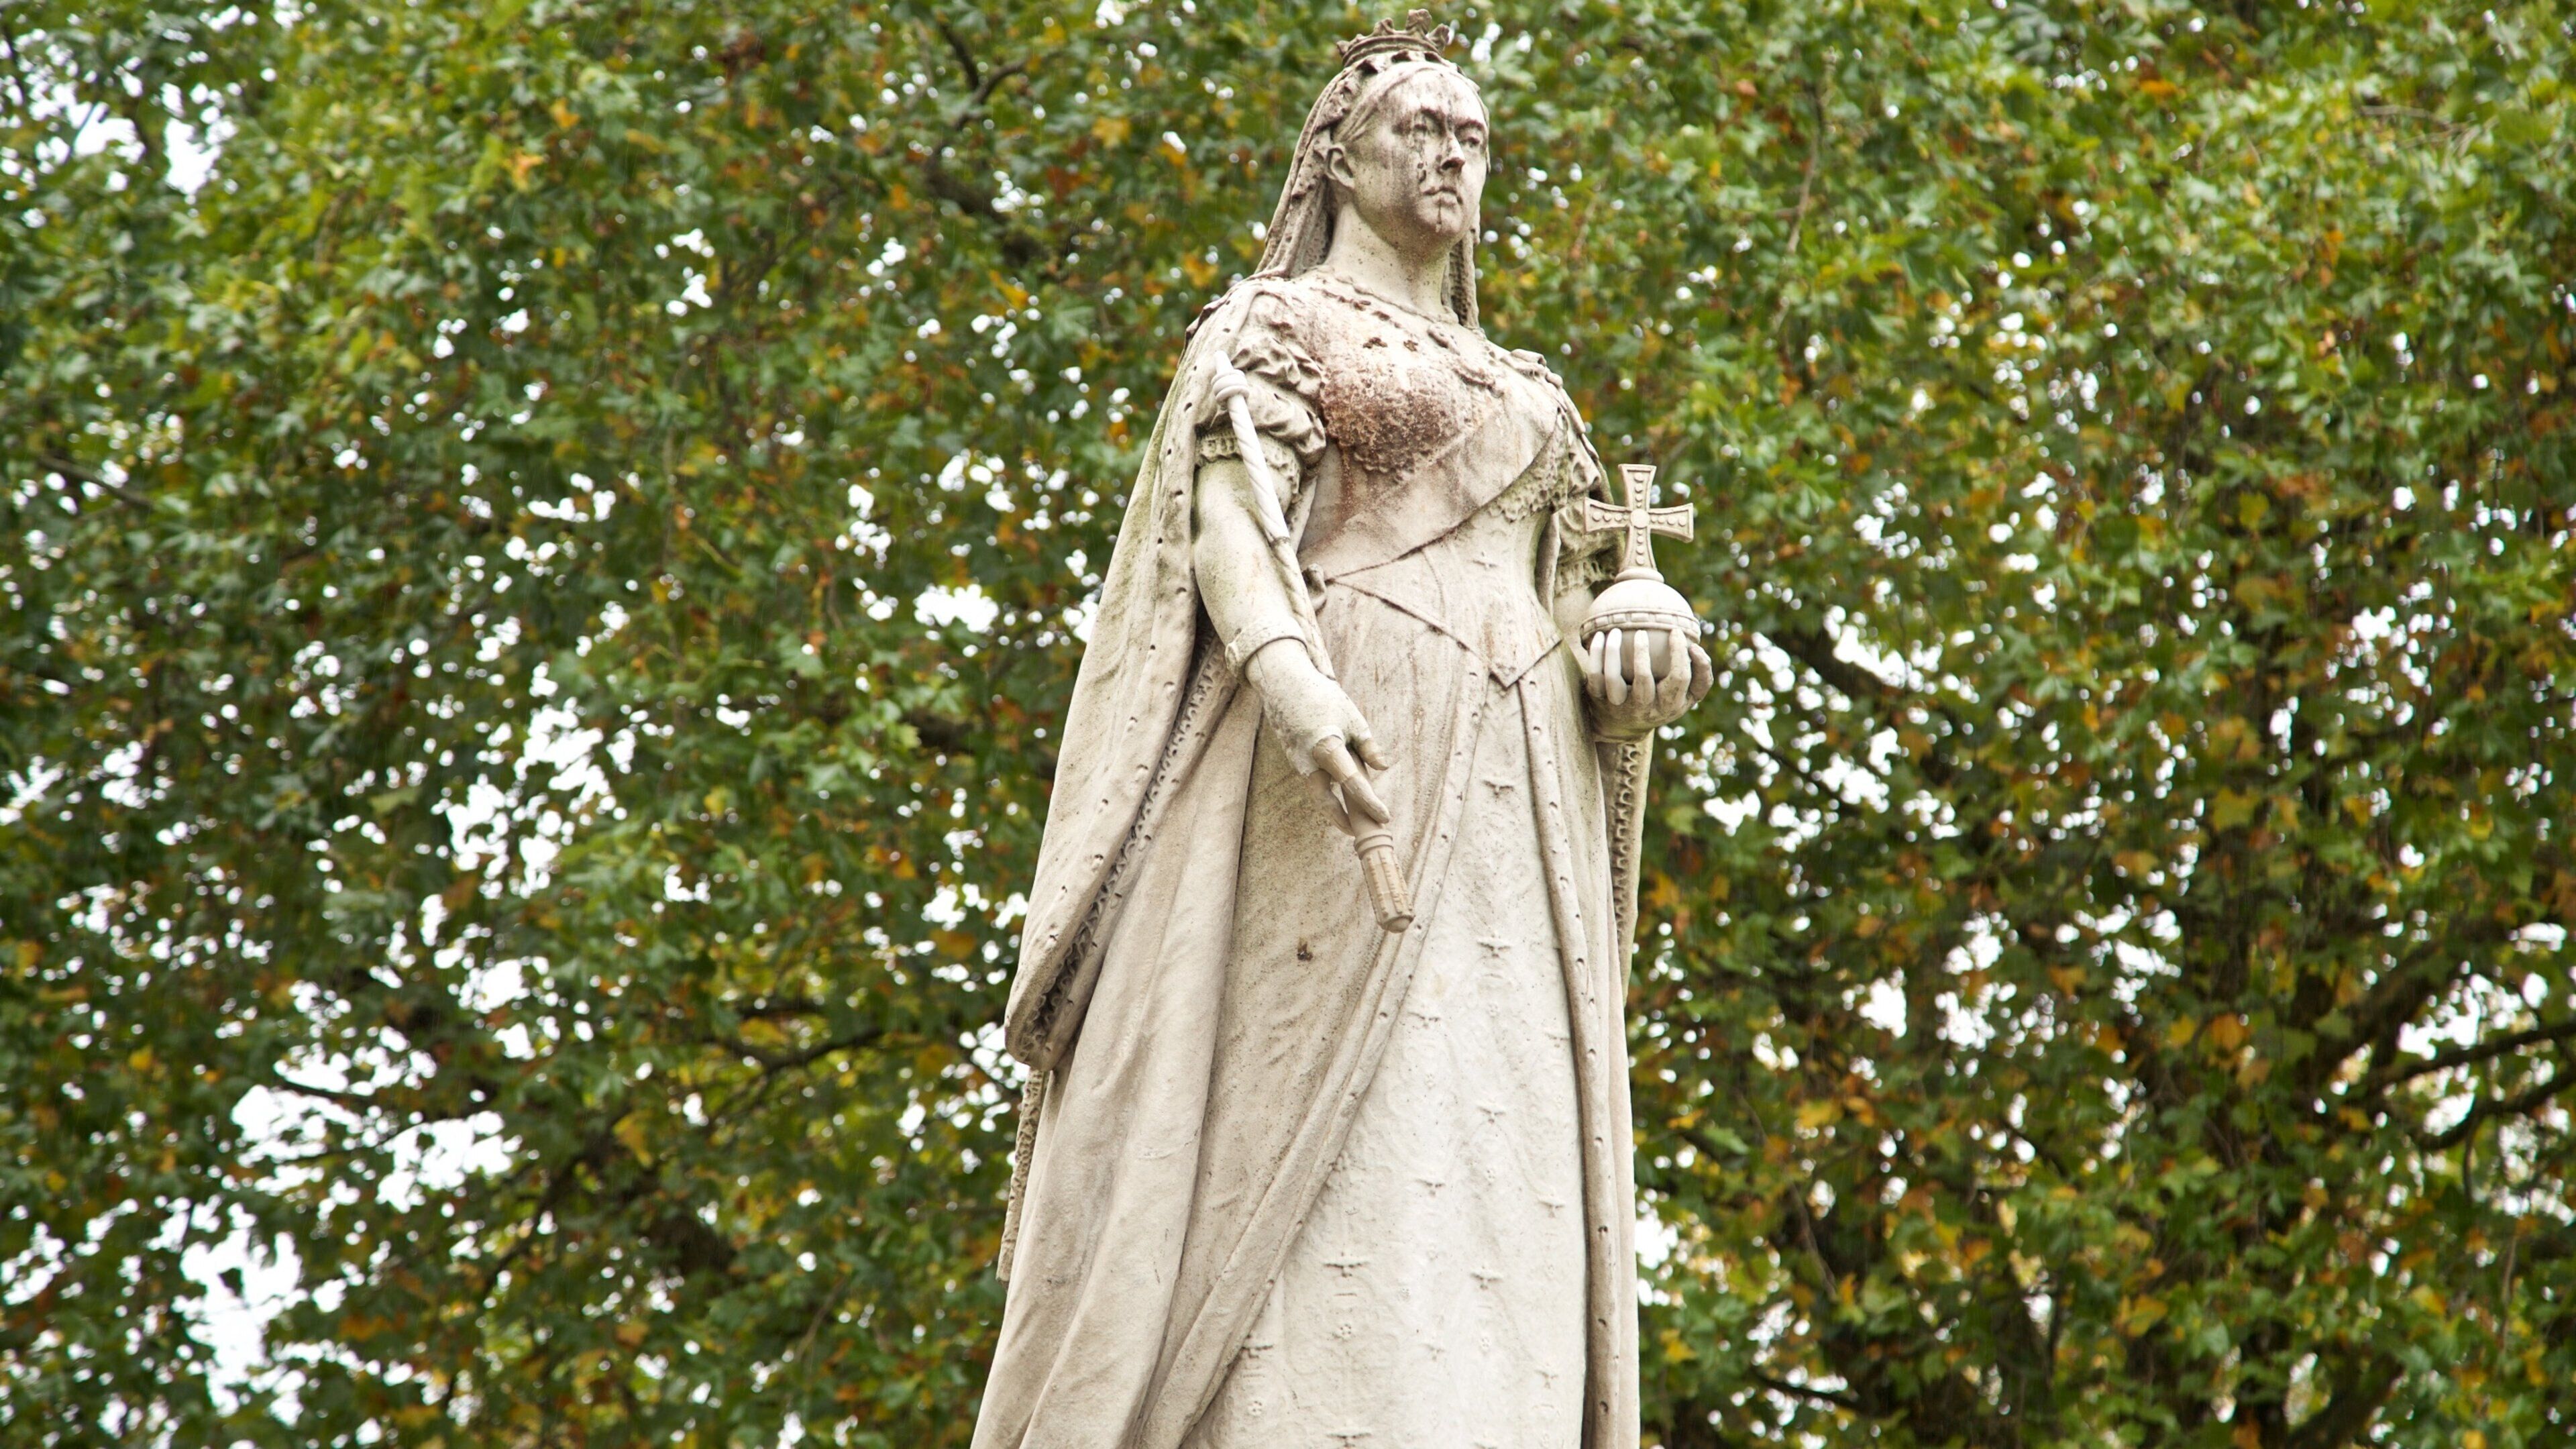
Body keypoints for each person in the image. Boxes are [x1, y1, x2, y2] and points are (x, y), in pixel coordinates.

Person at [974, 17, 1709, 1449]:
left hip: (1520, 799)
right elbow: (1231, 526)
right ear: (1338, 155)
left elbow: (1580, 604)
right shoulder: (1274, 326)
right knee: (1306, 1123)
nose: (1452, 155)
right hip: (1339, 762)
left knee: (1496, 1134)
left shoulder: (1535, 391)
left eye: (1473, 136)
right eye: (1420, 130)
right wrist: (1298, 685)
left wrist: (1642, 649)